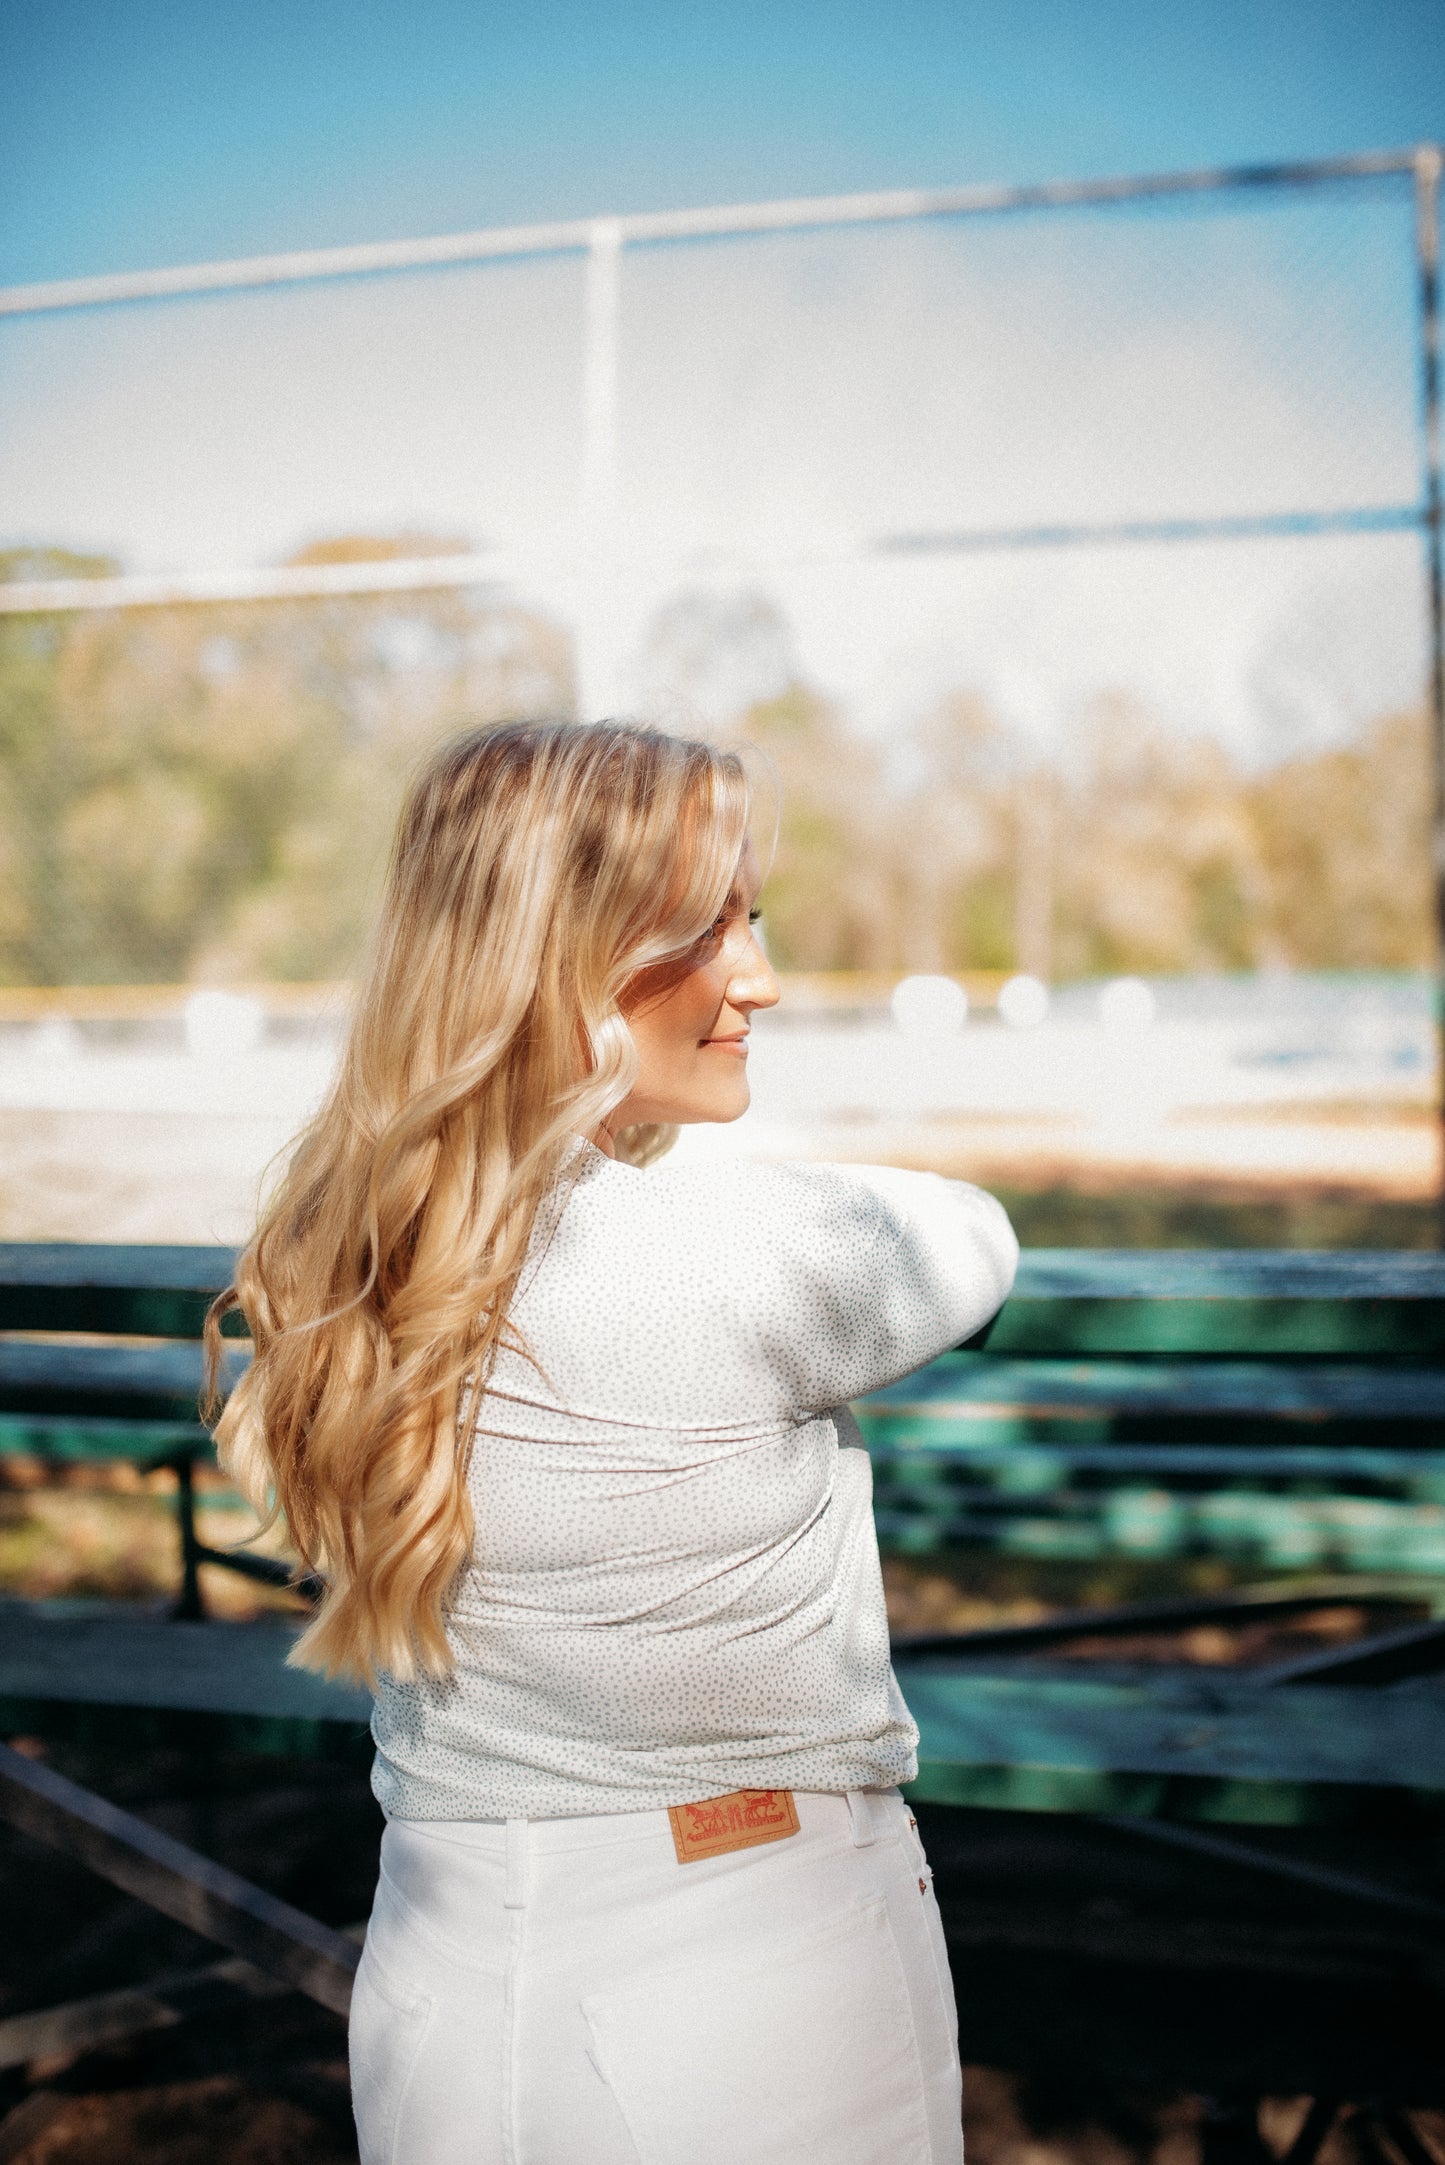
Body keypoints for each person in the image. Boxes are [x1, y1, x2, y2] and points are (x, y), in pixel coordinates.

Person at [207, 719, 1018, 2165]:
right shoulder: (724, 1261)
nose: (757, 974)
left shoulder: (338, 1257)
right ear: (559, 954)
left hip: (444, 1974)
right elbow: (971, 1236)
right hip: (753, 1983)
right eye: (707, 926)